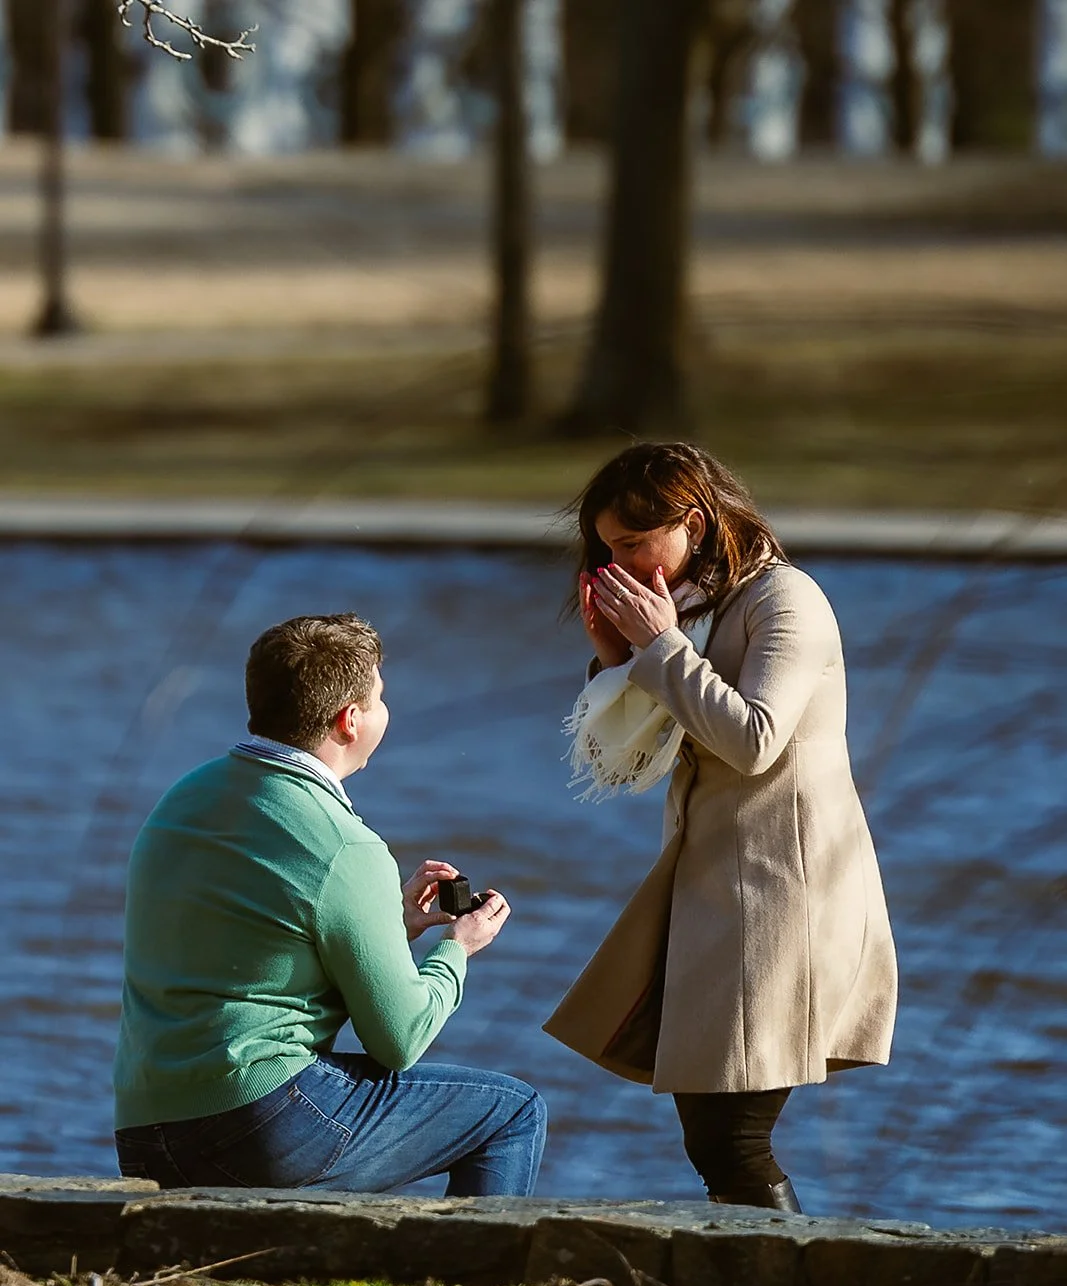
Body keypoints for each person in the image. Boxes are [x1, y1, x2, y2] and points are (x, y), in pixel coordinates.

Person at [544, 442, 896, 1212]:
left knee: (730, 1140)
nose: (624, 563)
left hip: (788, 892)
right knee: (713, 1139)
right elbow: (623, 769)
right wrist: (614, 662)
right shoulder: (702, 608)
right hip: (717, 891)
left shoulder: (784, 600)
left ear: (694, 522)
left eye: (636, 543)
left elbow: (753, 739)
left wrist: (658, 648)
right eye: (611, 549)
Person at [113, 612, 546, 1195]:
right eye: (380, 698)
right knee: (512, 1112)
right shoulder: (346, 846)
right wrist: (456, 949)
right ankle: (481, 1278)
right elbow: (400, 1039)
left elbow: (254, 944)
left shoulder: (182, 799)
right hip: (255, 1124)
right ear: (349, 721)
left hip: (145, 1128)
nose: (385, 711)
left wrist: (389, 925)